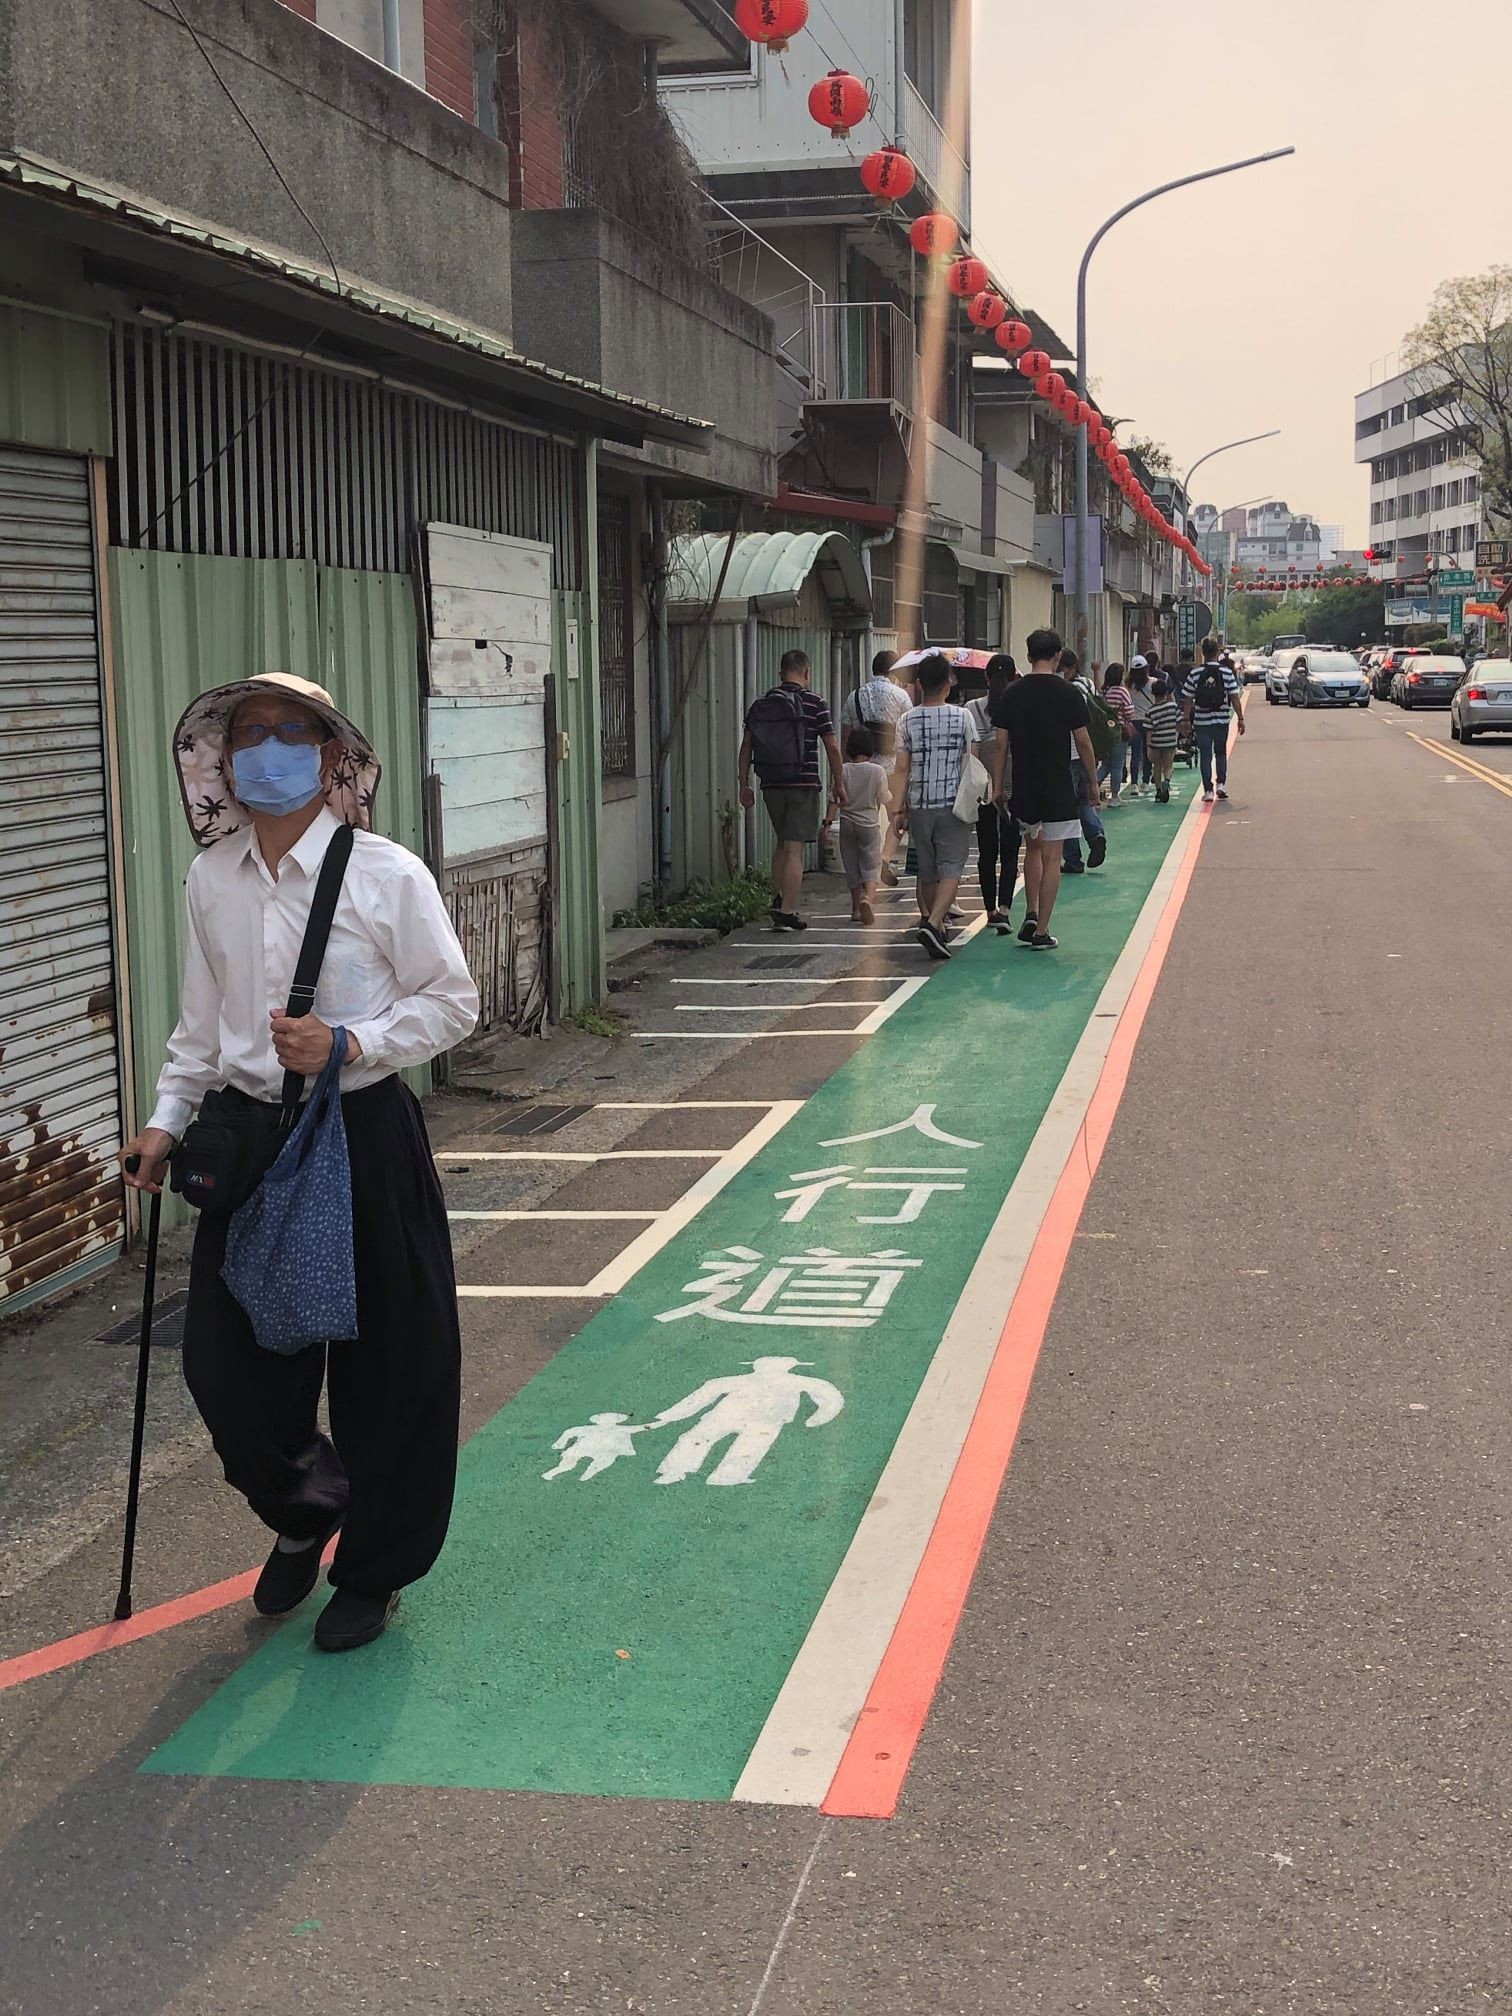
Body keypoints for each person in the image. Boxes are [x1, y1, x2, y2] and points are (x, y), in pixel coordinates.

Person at [119, 673, 480, 1653]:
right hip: (246, 1141)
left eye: (293, 730)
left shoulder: (384, 873)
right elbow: (202, 1022)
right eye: (248, 733)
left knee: (395, 1369)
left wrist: (350, 1044)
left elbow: (452, 1002)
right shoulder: (212, 878)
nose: (268, 748)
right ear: (218, 762)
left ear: (331, 756)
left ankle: (374, 1571)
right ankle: (304, 1507)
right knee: (228, 1371)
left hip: (363, 1136)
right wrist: (165, 1118)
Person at [995, 628, 1100, 951]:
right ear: (1057, 657)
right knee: (1054, 856)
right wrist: (1093, 782)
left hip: (1025, 783)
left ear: (1028, 656)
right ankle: (1042, 930)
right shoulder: (1069, 693)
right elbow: (1083, 741)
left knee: (1033, 848)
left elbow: (1001, 745)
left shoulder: (1012, 693)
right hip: (1058, 783)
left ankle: (1030, 910)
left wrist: (999, 786)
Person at [738, 648, 846, 931]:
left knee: (782, 842)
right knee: (795, 848)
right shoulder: (815, 703)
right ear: (807, 673)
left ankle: (778, 898)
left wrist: (743, 784)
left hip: (771, 783)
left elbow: (746, 746)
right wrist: (840, 782)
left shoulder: (760, 704)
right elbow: (832, 746)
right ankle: (787, 910)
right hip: (803, 783)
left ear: (780, 673)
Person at [890, 651, 984, 960]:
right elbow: (972, 758)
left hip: (919, 804)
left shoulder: (906, 720)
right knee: (952, 867)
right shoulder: (963, 716)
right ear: (949, 684)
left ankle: (936, 926)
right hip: (954, 803)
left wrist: (898, 809)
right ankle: (933, 923)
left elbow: (901, 768)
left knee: (926, 870)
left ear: (918, 684)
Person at [841, 649, 913, 885]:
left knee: (862, 820)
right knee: (896, 815)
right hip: (892, 766)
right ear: (893, 671)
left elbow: (846, 735)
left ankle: (864, 872)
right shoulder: (900, 696)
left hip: (861, 768)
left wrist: (846, 766)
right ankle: (884, 857)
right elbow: (910, 734)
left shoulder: (855, 696)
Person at [967, 652, 1021, 930]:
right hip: (1013, 787)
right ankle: (1004, 909)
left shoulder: (971, 708)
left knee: (986, 851)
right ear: (1013, 677)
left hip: (983, 789)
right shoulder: (1019, 706)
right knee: (1011, 850)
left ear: (986, 678)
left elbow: (971, 752)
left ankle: (988, 910)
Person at [824, 725, 890, 926]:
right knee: (871, 863)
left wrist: (827, 824)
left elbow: (834, 799)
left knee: (851, 865)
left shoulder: (842, 770)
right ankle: (867, 899)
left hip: (846, 822)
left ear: (850, 747)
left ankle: (855, 909)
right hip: (869, 823)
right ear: (870, 747)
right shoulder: (877, 771)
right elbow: (884, 798)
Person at [1057, 647, 1107, 874]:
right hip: (1085, 754)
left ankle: (1073, 859)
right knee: (1085, 800)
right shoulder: (1086, 684)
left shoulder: (1064, 691)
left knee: (1067, 807)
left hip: (1066, 754)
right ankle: (1096, 834)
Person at [1181, 633, 1246, 801]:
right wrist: (1240, 718)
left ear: (1203, 653)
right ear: (1217, 652)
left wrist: (1186, 720)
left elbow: (1187, 698)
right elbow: (1234, 697)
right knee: (1221, 753)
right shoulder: (1226, 672)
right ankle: (1221, 785)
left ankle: (1208, 790)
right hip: (1221, 720)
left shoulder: (1195, 673)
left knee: (1205, 755)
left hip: (1202, 721)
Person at [1098, 662, 1135, 802]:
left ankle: (1093, 784)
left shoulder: (1105, 692)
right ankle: (1114, 796)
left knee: (1107, 764)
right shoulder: (1122, 691)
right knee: (1117, 765)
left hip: (1106, 732)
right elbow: (1130, 712)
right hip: (1119, 732)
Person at [1145, 675, 1182, 802]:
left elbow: (1149, 730)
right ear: (1166, 692)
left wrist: (1148, 745)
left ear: (1152, 693)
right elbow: (1179, 723)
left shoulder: (1151, 710)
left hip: (1156, 742)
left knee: (1157, 766)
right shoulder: (1173, 707)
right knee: (1168, 765)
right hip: (1170, 741)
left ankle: (1158, 790)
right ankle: (1167, 780)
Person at [1127, 659, 1154, 797]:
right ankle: (1146, 781)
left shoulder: (1128, 685)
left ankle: (1134, 784)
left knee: (1135, 754)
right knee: (1148, 752)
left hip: (1134, 722)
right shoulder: (1153, 683)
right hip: (1150, 721)